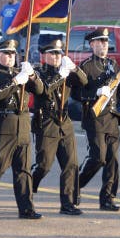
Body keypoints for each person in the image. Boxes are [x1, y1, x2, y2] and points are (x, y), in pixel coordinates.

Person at [0, 38, 44, 219]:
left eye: (13, 53)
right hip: (3, 123)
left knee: (23, 169)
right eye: (6, 53)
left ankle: (26, 208)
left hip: (22, 122)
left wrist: (32, 76)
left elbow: (39, 90)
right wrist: (16, 81)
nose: (10, 56)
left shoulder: (19, 71)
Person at [77, 28, 120, 212]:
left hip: (112, 117)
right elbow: (78, 93)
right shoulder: (85, 67)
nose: (104, 45)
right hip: (95, 119)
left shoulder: (112, 64)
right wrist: (95, 92)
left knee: (112, 161)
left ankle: (108, 198)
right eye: (100, 42)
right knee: (97, 158)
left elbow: (119, 92)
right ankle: (75, 186)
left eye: (106, 42)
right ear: (92, 44)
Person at [31, 39, 88, 215]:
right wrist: (60, 76)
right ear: (44, 56)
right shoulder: (38, 72)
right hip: (46, 123)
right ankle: (27, 190)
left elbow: (83, 81)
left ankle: (68, 203)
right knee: (44, 165)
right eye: (52, 53)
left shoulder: (65, 72)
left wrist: (74, 68)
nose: (56, 57)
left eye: (59, 53)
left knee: (71, 165)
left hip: (64, 122)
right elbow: (44, 90)